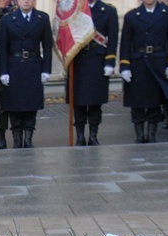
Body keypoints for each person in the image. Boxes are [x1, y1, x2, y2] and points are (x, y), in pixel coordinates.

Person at [119, 0, 168, 143]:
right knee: (137, 99)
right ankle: (139, 135)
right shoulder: (131, 16)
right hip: (138, 62)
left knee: (154, 100)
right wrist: (125, 66)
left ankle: (152, 134)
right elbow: (126, 43)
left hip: (159, 61)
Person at [0, 0, 52, 148]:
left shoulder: (42, 18)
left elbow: (47, 46)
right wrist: (3, 71)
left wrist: (46, 69)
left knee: (31, 103)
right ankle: (17, 138)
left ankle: (28, 138)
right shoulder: (8, 20)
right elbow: (2, 49)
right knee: (14, 104)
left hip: (33, 65)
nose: (26, 1)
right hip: (14, 66)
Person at [68, 0, 118, 146]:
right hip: (79, 61)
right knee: (78, 102)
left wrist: (110, 62)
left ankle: (93, 135)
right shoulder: (74, 9)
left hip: (98, 60)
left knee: (95, 102)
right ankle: (80, 136)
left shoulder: (108, 10)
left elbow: (113, 39)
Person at [0, 0, 16, 149]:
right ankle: (1, 137)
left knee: (18, 103)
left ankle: (17, 135)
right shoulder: (1, 18)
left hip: (18, 67)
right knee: (2, 106)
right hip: (2, 68)